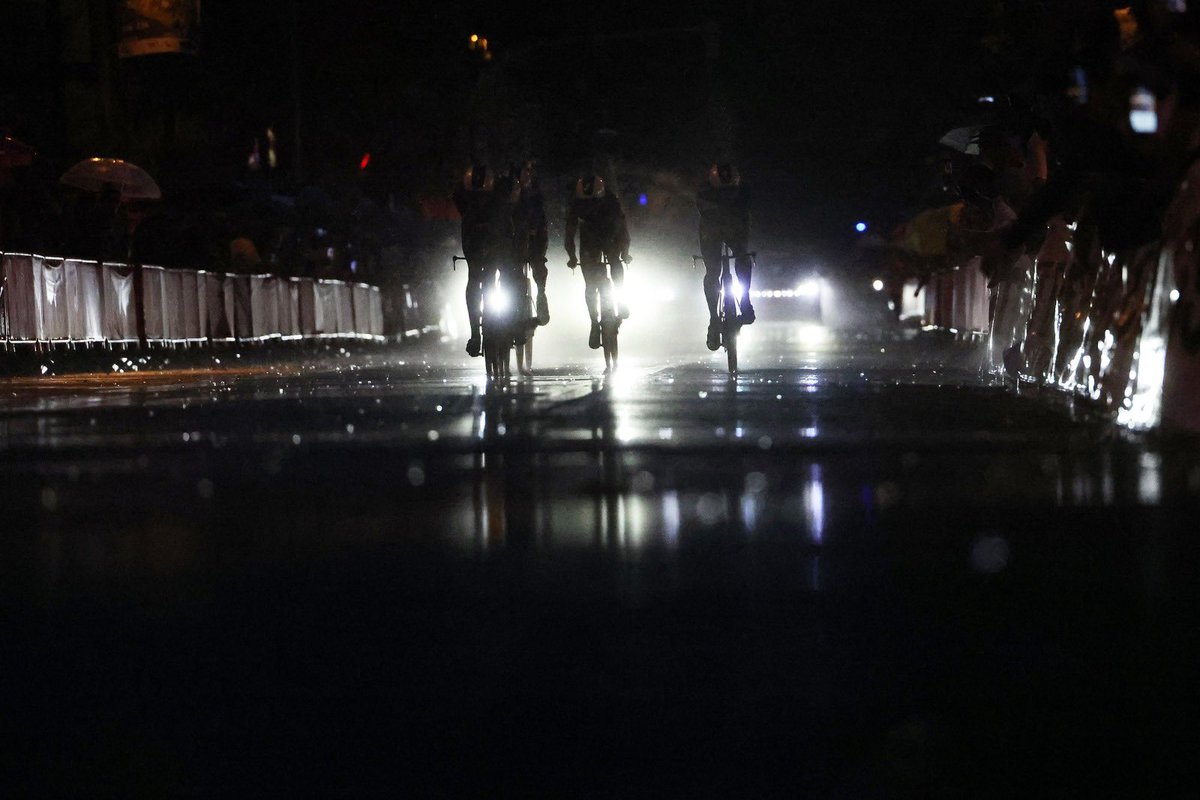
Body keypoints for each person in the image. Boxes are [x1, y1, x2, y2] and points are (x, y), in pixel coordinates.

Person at [564, 173, 631, 350]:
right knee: (590, 284)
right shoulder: (577, 204)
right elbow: (569, 232)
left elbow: (623, 229)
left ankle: (620, 298)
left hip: (610, 237)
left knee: (615, 261)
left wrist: (625, 252)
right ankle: (594, 322)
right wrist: (572, 255)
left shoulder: (611, 202)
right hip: (589, 242)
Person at [454, 162, 512, 357]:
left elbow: (504, 226)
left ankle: (504, 320)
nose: (478, 201)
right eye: (474, 197)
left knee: (490, 277)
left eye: (483, 197)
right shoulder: (465, 199)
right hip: (474, 243)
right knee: (474, 278)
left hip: (493, 242)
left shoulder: (498, 200)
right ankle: (475, 333)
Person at [696, 162, 752, 351]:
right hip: (711, 230)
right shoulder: (704, 192)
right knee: (713, 270)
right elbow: (705, 214)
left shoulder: (743, 191)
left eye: (731, 191)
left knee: (743, 258)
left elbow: (746, 218)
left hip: (735, 228)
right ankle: (714, 318)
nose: (727, 196)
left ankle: (745, 300)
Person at [511, 160, 550, 326]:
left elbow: (540, 216)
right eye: (524, 170)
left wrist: (533, 231)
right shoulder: (510, 191)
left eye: (529, 171)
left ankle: (541, 297)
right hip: (515, 239)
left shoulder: (536, 193)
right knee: (511, 272)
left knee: (539, 267)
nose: (527, 174)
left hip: (535, 238)